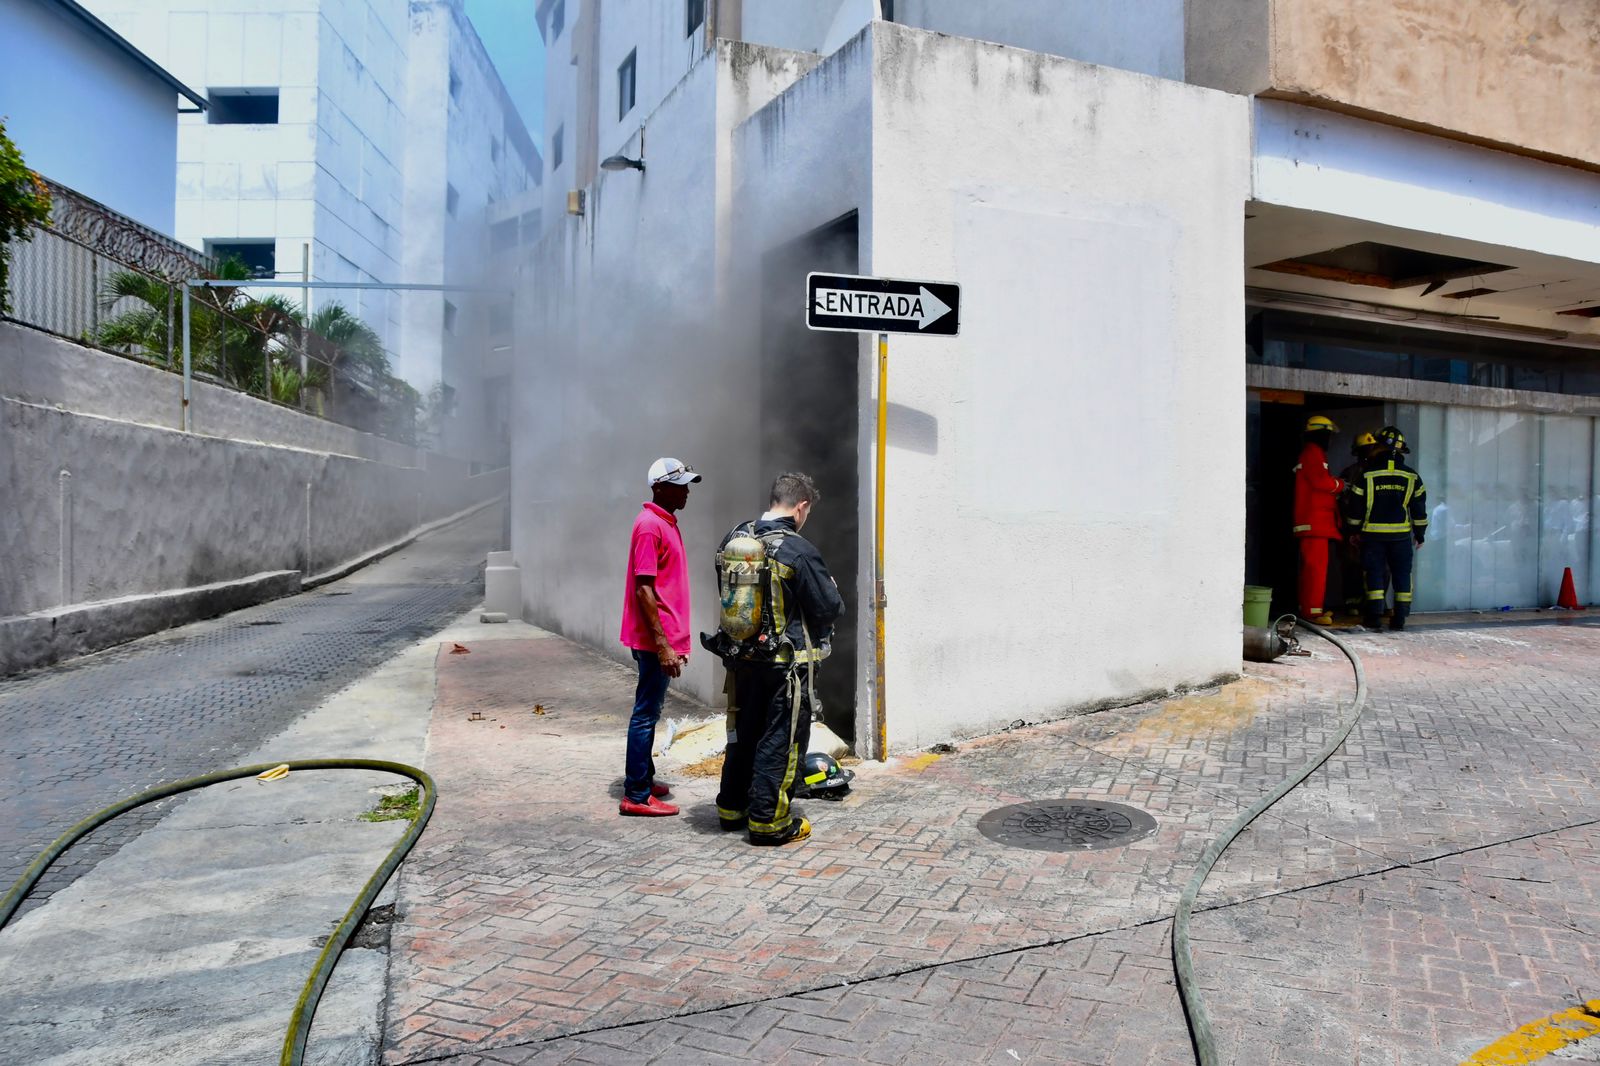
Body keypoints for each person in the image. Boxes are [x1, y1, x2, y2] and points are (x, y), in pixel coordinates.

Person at [707, 472, 844, 847]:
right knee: (779, 742)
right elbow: (828, 607)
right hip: (785, 667)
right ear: (801, 507)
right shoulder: (798, 549)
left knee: (742, 736)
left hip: (740, 660)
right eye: (807, 511)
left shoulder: (736, 537)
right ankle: (769, 822)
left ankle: (731, 809)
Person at [617, 457, 701, 816]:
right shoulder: (650, 526)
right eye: (679, 484)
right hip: (655, 641)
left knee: (651, 710)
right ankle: (635, 795)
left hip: (661, 639)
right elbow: (644, 590)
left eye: (686, 484)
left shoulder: (664, 522)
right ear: (659, 487)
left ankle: (644, 778)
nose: (686, 491)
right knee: (645, 714)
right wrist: (664, 644)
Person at [1343, 426, 1428, 632]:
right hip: (1400, 538)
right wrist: (1420, 534)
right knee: (1402, 575)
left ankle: (1374, 617)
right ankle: (1399, 619)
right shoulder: (1412, 477)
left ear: (1379, 447)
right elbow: (1419, 509)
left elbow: (1355, 508)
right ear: (1400, 451)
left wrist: (1353, 532)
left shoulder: (1367, 475)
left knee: (1374, 574)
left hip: (1373, 537)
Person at [1293, 415, 1345, 625]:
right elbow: (1320, 481)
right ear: (1321, 434)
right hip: (1315, 524)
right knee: (1316, 570)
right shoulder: (1313, 453)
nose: (1331, 440)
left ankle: (1309, 608)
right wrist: (1341, 485)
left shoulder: (1311, 453)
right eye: (1329, 435)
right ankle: (1312, 612)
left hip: (1315, 524)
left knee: (1312, 569)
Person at [1337, 431, 1381, 617]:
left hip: (1357, 529)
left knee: (1358, 568)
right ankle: (1368, 605)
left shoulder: (1352, 472)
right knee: (1368, 568)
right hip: (1369, 529)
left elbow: (1343, 502)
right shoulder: (1376, 473)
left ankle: (1357, 605)